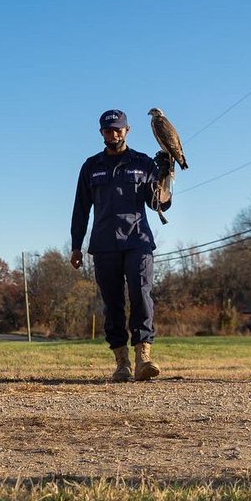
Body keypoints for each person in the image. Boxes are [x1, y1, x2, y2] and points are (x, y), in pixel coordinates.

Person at [70, 109, 173, 382]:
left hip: (138, 240)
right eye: (108, 130)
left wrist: (165, 177)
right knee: (112, 303)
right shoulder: (91, 167)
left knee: (141, 294)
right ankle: (122, 363)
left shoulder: (143, 163)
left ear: (127, 130)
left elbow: (158, 203)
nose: (113, 134)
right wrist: (76, 245)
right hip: (104, 244)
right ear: (101, 133)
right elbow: (80, 209)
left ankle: (143, 358)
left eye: (118, 129)